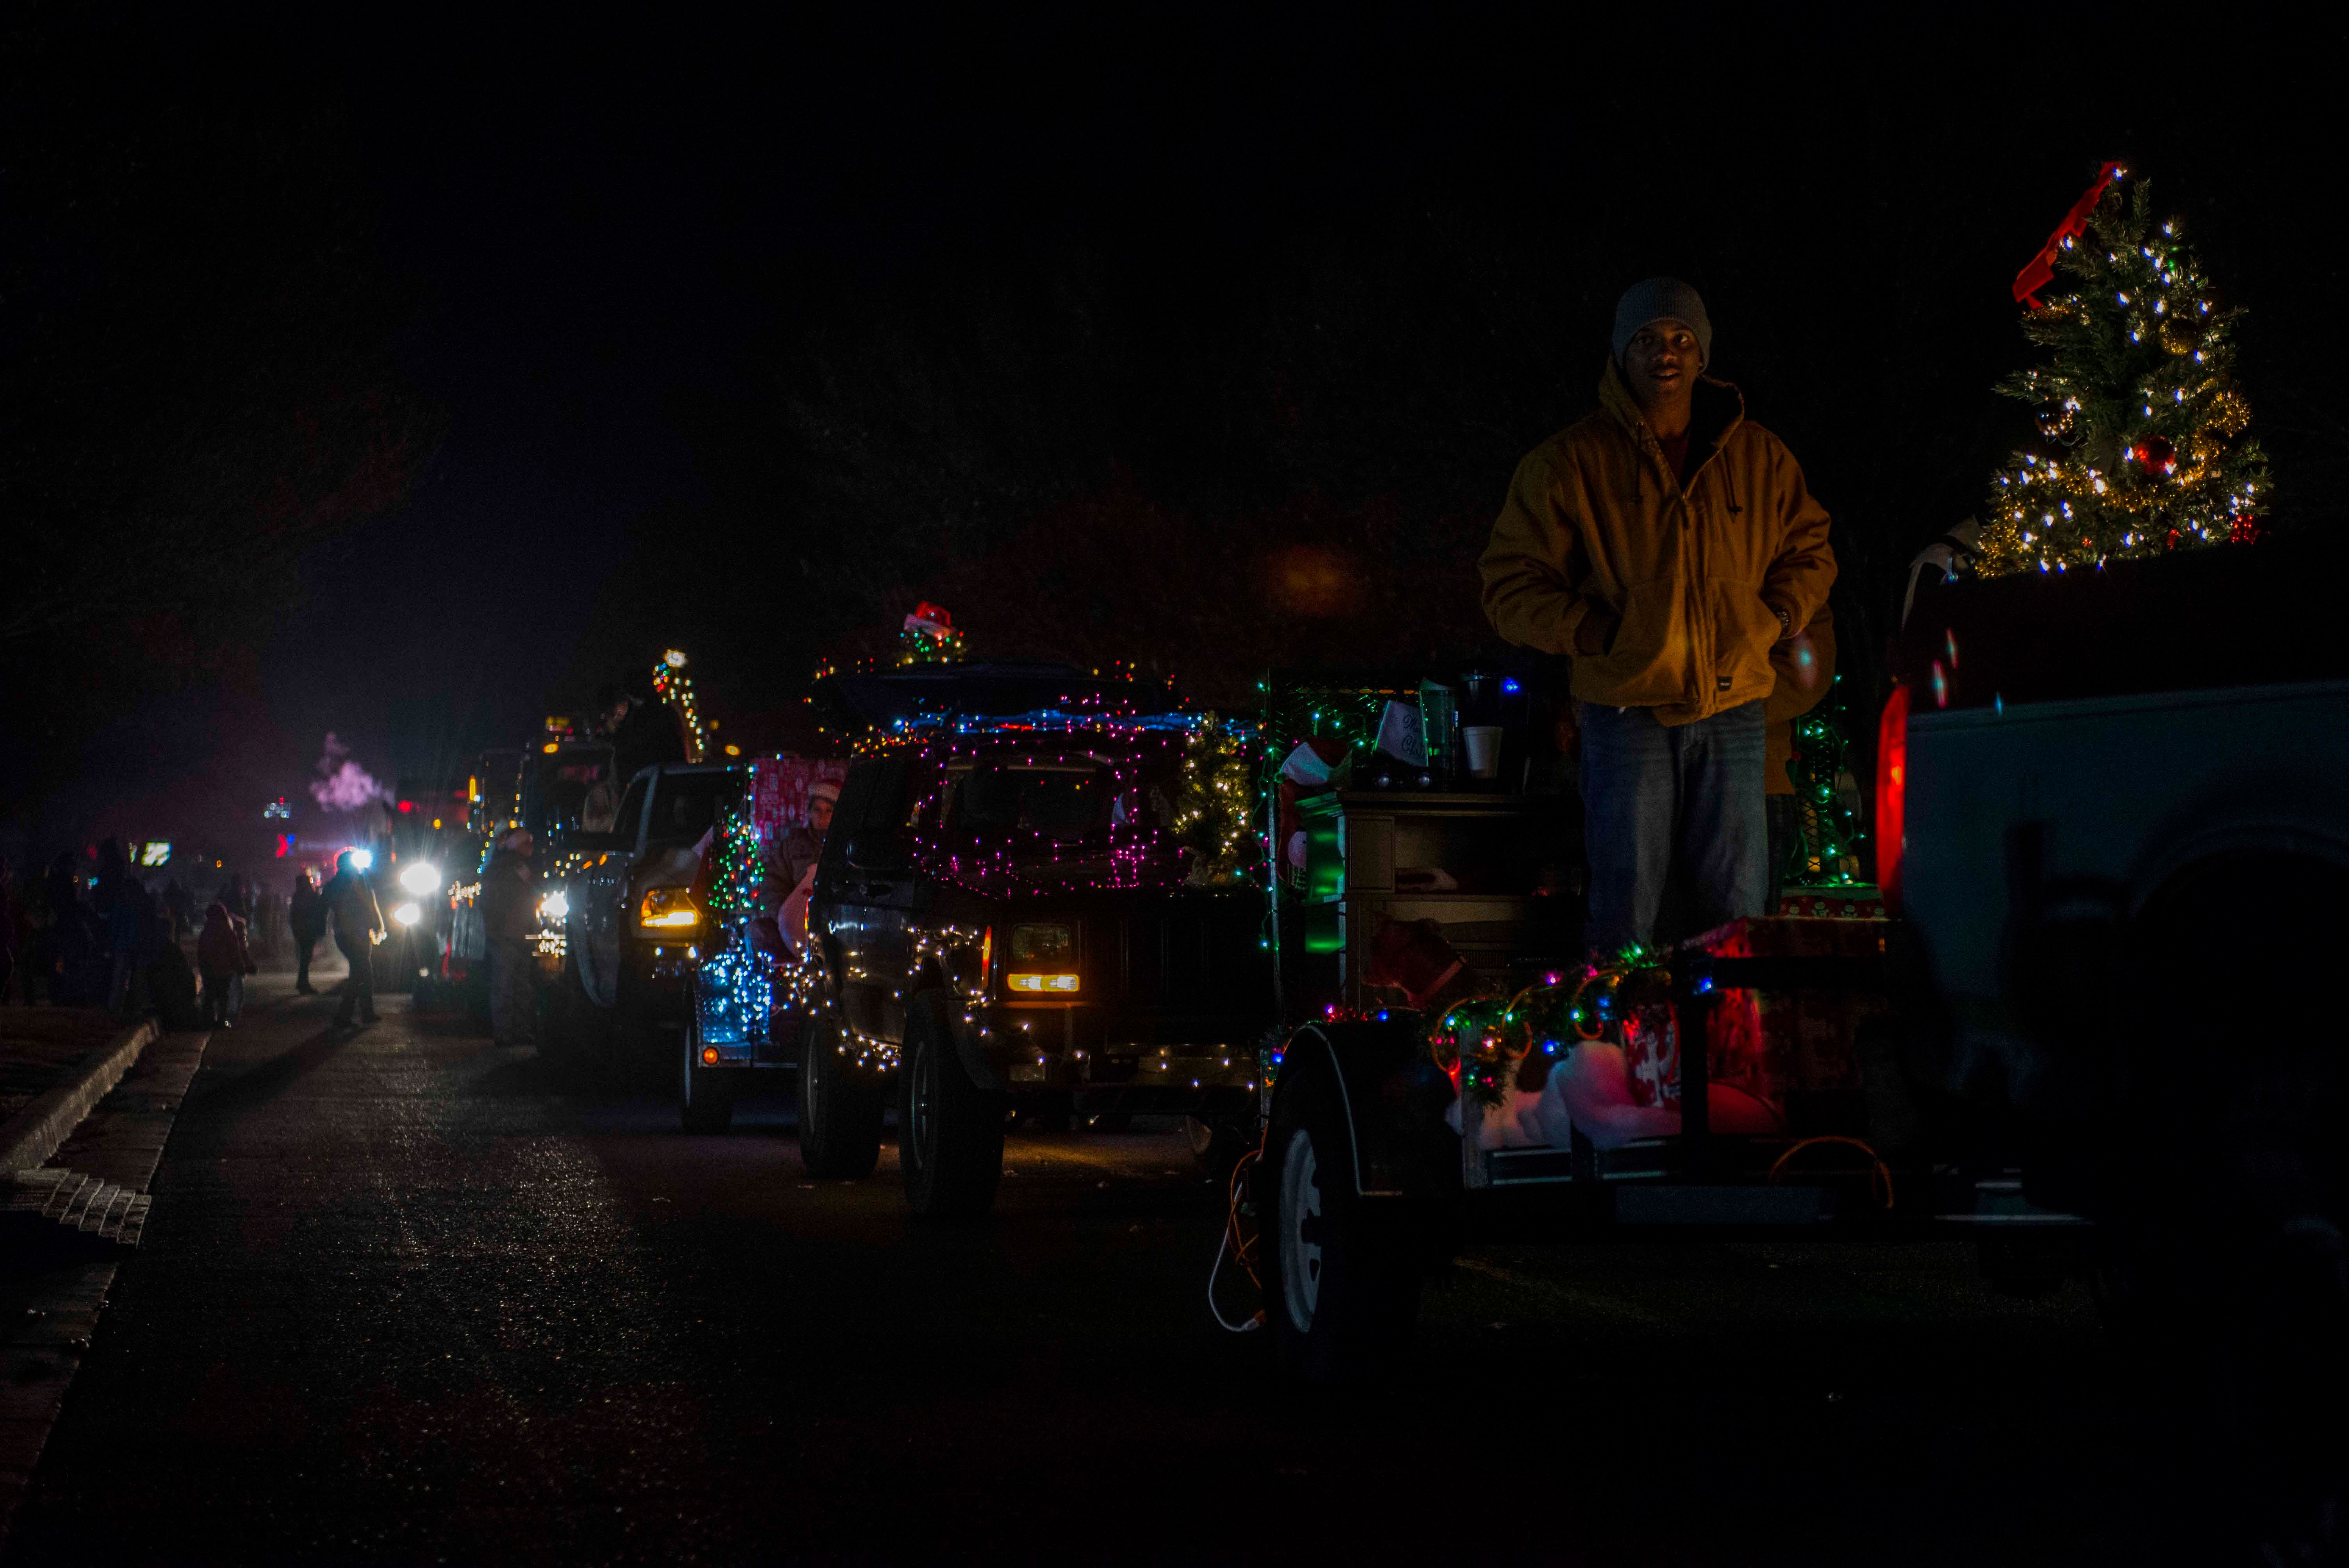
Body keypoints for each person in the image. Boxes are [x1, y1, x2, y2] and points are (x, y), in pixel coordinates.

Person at [1481, 277, 1836, 955]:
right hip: (1626, 713)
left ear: (1703, 353)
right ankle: (1622, 1057)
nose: (1665, 353)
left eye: (1680, 338)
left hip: (1735, 711)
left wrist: (1778, 615)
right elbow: (1508, 584)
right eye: (1645, 339)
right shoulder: (1568, 463)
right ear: (1621, 355)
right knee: (1627, 914)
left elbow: (1810, 549)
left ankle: (1730, 1056)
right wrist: (1598, 632)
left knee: (1736, 919)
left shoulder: (1759, 456)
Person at [478, 829, 539, 1048]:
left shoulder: (502, 869)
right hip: (510, 935)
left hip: (512, 935)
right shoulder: (507, 870)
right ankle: (510, 1033)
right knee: (511, 985)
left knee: (514, 985)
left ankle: (511, 1032)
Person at [319, 850, 385, 1030]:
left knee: (361, 972)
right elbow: (370, 905)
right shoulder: (356, 882)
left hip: (350, 934)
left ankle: (358, 1015)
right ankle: (351, 1015)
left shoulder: (336, 884)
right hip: (355, 934)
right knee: (362, 971)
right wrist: (377, 924)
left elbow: (324, 907)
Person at [196, 901, 253, 1028]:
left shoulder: (206, 933)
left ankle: (208, 1020)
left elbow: (201, 953)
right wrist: (240, 968)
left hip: (209, 971)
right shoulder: (228, 932)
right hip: (225, 971)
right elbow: (234, 953)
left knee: (210, 996)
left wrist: (203, 968)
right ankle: (222, 1021)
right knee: (223, 997)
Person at [289, 867, 324, 993]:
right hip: (307, 931)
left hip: (302, 931)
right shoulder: (305, 897)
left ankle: (302, 983)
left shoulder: (298, 897)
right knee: (306, 959)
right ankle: (303, 984)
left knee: (305, 959)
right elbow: (312, 911)